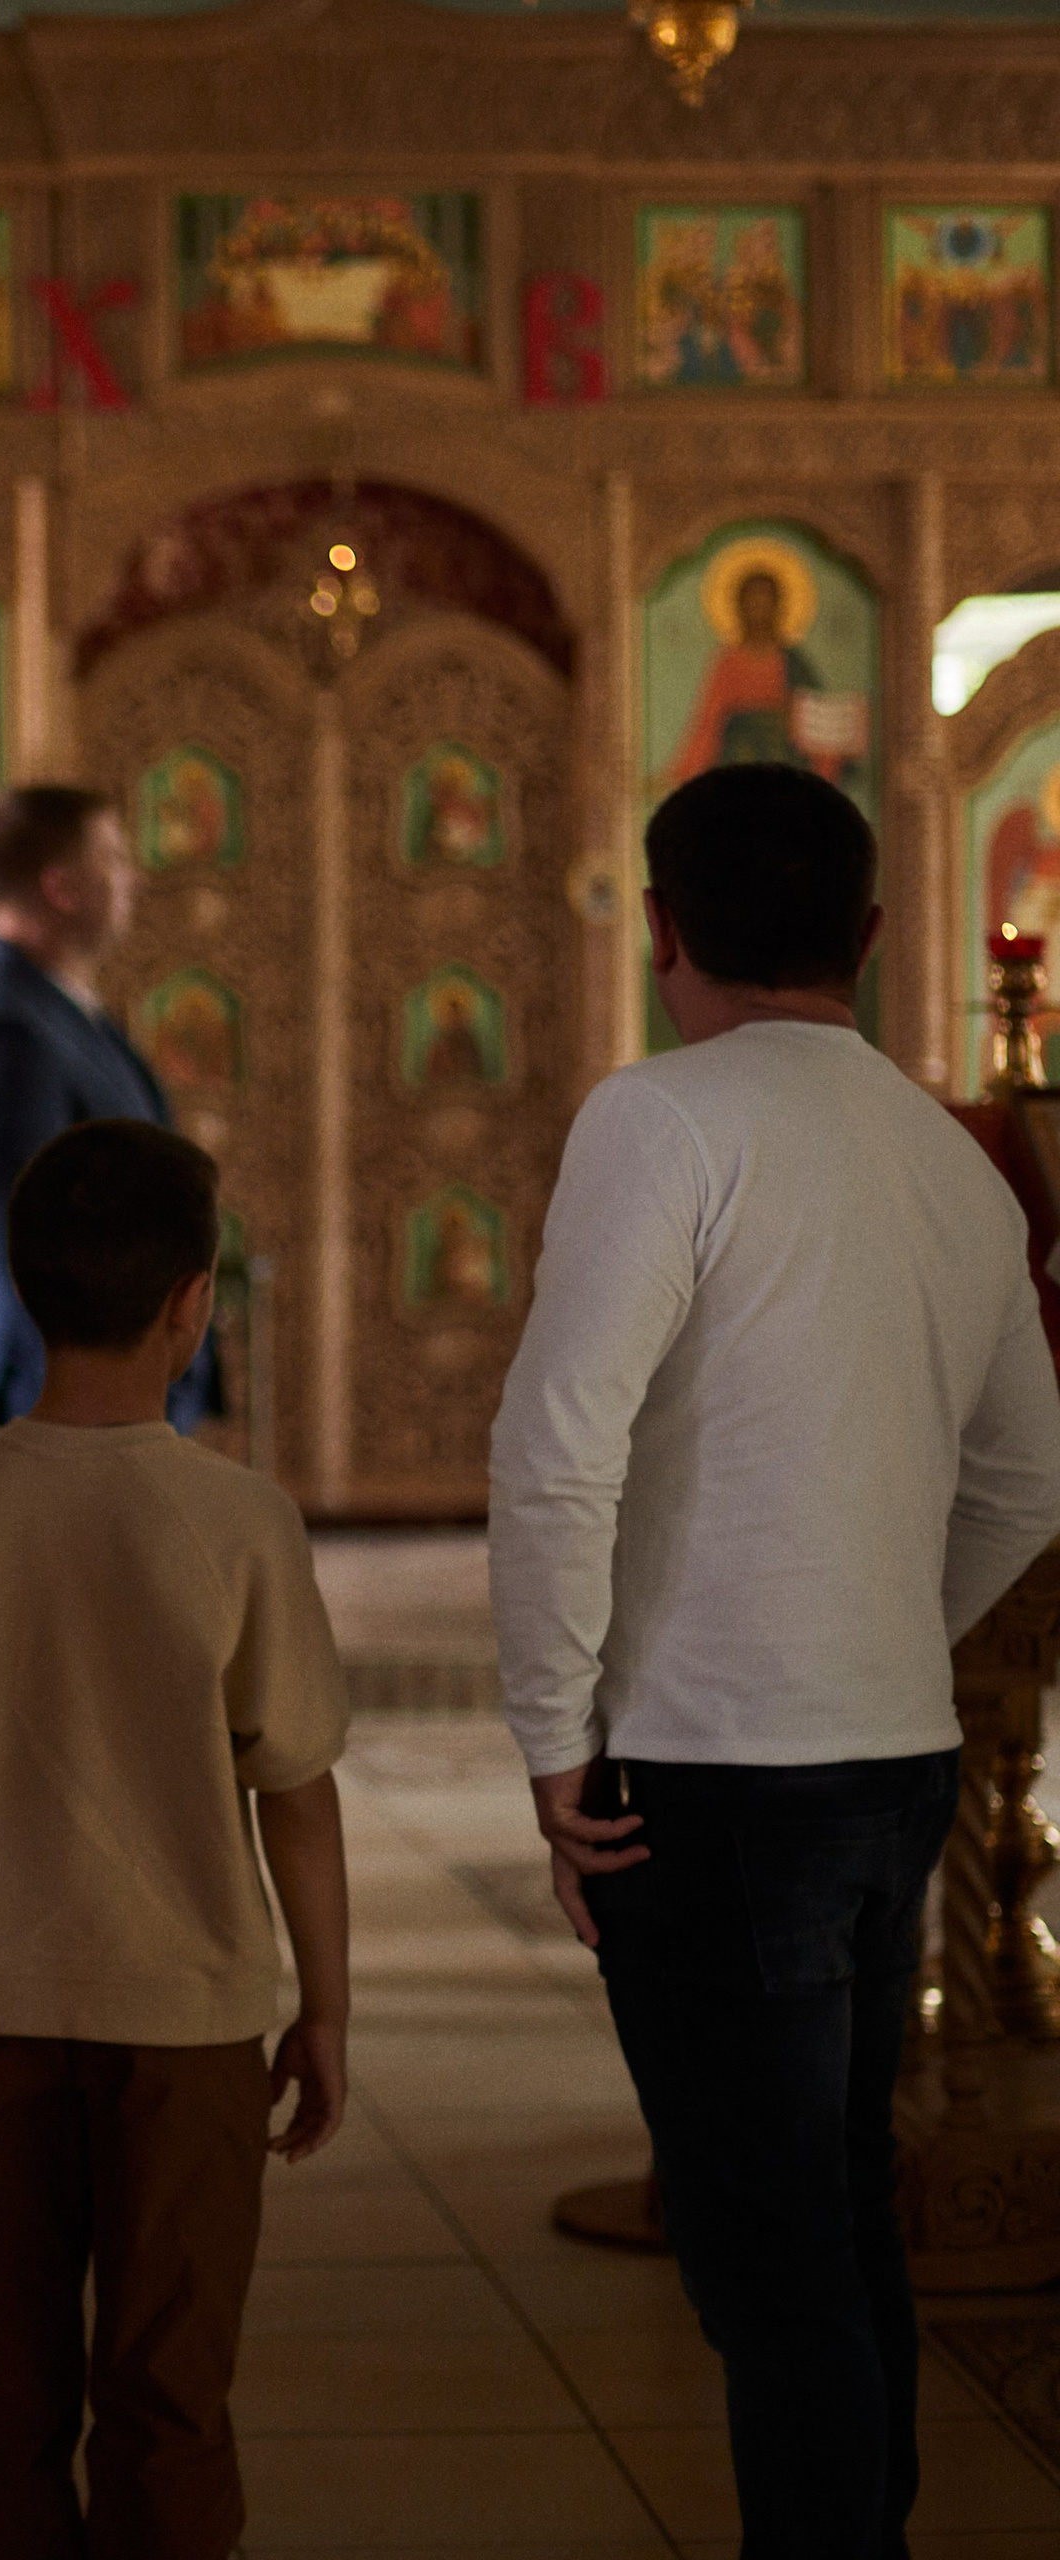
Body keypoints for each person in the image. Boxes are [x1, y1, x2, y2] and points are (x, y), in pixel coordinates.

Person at [488, 763, 1060, 2560]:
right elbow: (1032, 1475)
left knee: (765, 2253)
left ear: (664, 934)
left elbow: (560, 1442)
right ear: (878, 939)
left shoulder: (658, 1121)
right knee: (834, 2217)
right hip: (889, 1762)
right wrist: (882, 1625)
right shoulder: (947, 1153)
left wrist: (552, 1731)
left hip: (715, 1771)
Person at [0, 1119, 350, 2560]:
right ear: (191, 1303)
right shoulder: (239, 1519)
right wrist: (324, 2008)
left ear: (19, 1289)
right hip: (189, 2022)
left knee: (5, 2377)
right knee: (171, 2386)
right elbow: (299, 1791)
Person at [0, 784, 220, 1438]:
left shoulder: (58, 1009)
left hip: (121, 1391)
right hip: (71, 1405)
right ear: (62, 886)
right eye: (114, 860)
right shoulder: (3, 1034)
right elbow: (26, 1244)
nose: (133, 880)